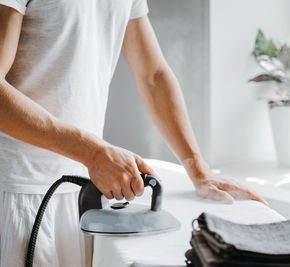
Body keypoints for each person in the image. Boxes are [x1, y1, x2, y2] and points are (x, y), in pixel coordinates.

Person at [0, 0, 267, 266]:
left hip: (81, 190)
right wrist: (92, 151)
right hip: (18, 190)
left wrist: (198, 169)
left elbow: (152, 75)